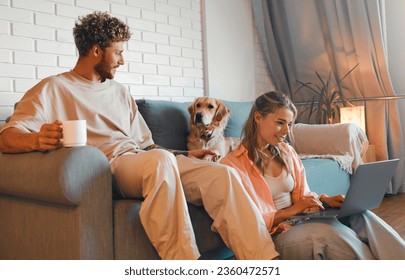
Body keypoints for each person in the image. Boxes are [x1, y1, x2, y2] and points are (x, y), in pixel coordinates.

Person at [0, 11, 280, 260]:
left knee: (221, 175)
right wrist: (35, 140)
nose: (122, 60)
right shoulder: (53, 88)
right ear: (96, 51)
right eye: (118, 52)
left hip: (144, 160)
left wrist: (184, 155)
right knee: (159, 163)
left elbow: (148, 147)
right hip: (108, 168)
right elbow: (7, 135)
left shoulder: (120, 92)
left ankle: (265, 262)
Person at [220, 90, 405, 259]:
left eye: (290, 124)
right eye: (280, 123)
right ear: (258, 118)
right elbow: (245, 222)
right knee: (326, 234)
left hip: (300, 222)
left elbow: (303, 196)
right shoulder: (232, 166)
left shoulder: (286, 152)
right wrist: (289, 212)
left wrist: (324, 201)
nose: (286, 131)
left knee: (360, 215)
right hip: (273, 238)